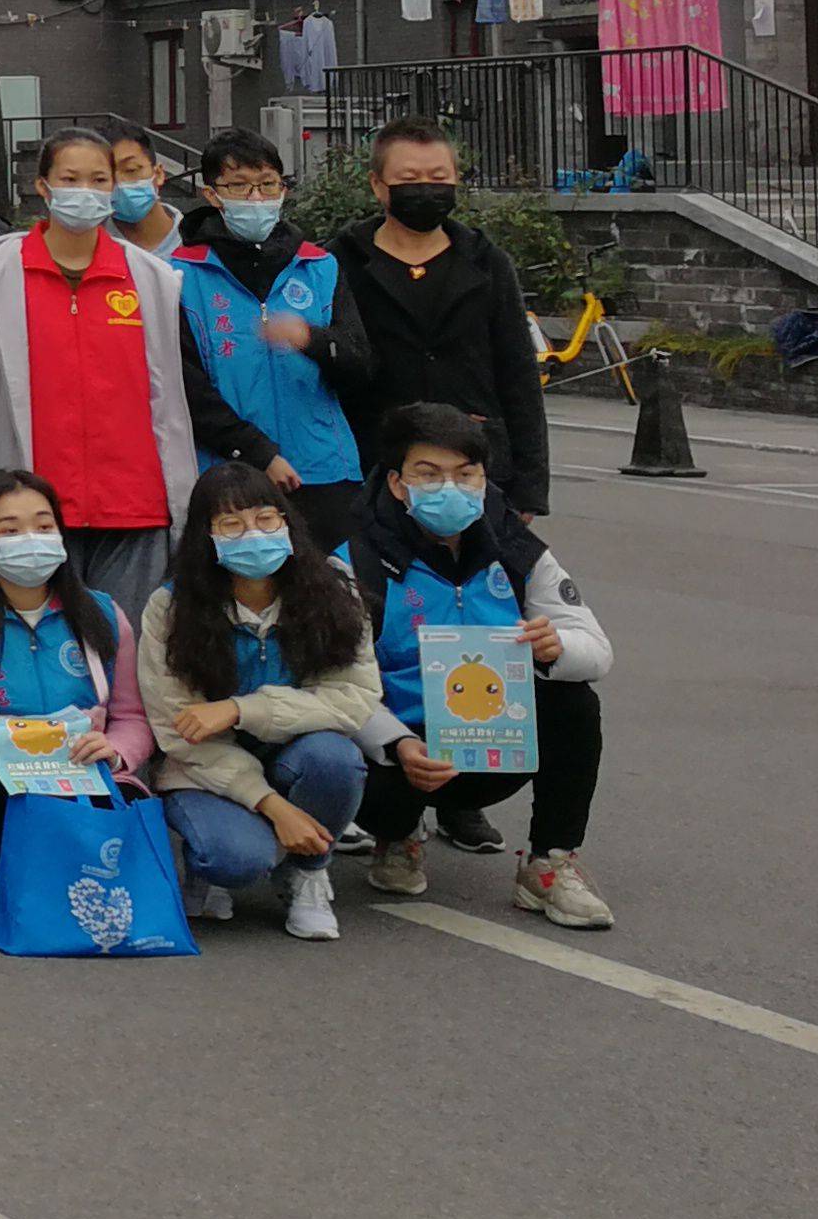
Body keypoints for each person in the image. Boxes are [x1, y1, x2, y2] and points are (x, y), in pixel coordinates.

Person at [0, 125, 270, 619]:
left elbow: (167, 390)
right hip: (31, 508)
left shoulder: (152, 277)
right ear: (43, 186)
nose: (85, 191)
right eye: (70, 179)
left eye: (99, 180)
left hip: (134, 501)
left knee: (125, 641)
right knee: (41, 635)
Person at [350, 404, 615, 926]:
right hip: (396, 753)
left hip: (492, 741)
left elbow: (597, 648)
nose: (450, 488)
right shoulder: (355, 560)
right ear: (398, 484)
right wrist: (396, 743)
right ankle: (396, 837)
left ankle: (549, 864)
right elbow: (335, 684)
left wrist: (556, 646)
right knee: (334, 751)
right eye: (429, 474)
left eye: (465, 474)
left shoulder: (516, 549)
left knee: (575, 702)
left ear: (483, 479)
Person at [140, 467, 378, 940]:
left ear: (287, 522)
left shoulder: (333, 589)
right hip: (203, 770)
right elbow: (176, 730)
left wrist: (240, 709)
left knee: (336, 758)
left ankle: (308, 872)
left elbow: (355, 698)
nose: (253, 534)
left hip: (297, 756)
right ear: (206, 537)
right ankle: (212, 864)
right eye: (231, 525)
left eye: (266, 518)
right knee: (234, 859)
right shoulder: (171, 607)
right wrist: (272, 806)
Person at [0, 469, 156, 921]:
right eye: (10, 530)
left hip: (84, 769)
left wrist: (116, 751)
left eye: (44, 526)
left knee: (126, 806)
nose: (31, 540)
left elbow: (132, 717)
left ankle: (67, 879)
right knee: (0, 799)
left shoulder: (103, 613)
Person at [326, 124, 553, 521]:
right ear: (378, 185)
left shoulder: (487, 263)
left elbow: (518, 374)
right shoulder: (338, 263)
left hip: (475, 467)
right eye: (409, 179)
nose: (426, 190)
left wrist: (529, 489)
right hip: (371, 467)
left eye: (438, 177)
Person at [171, 127, 363, 546]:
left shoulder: (320, 266)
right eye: (239, 186)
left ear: (283, 188)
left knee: (334, 581)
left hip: (323, 469)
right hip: (229, 474)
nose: (256, 198)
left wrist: (311, 339)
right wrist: (258, 452)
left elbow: (360, 365)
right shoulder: (180, 275)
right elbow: (186, 388)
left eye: (267, 184)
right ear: (212, 195)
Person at [99, 118, 178, 255]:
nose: (120, 184)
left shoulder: (202, 243)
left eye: (131, 170)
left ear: (159, 174)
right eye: (103, 177)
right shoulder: (87, 248)